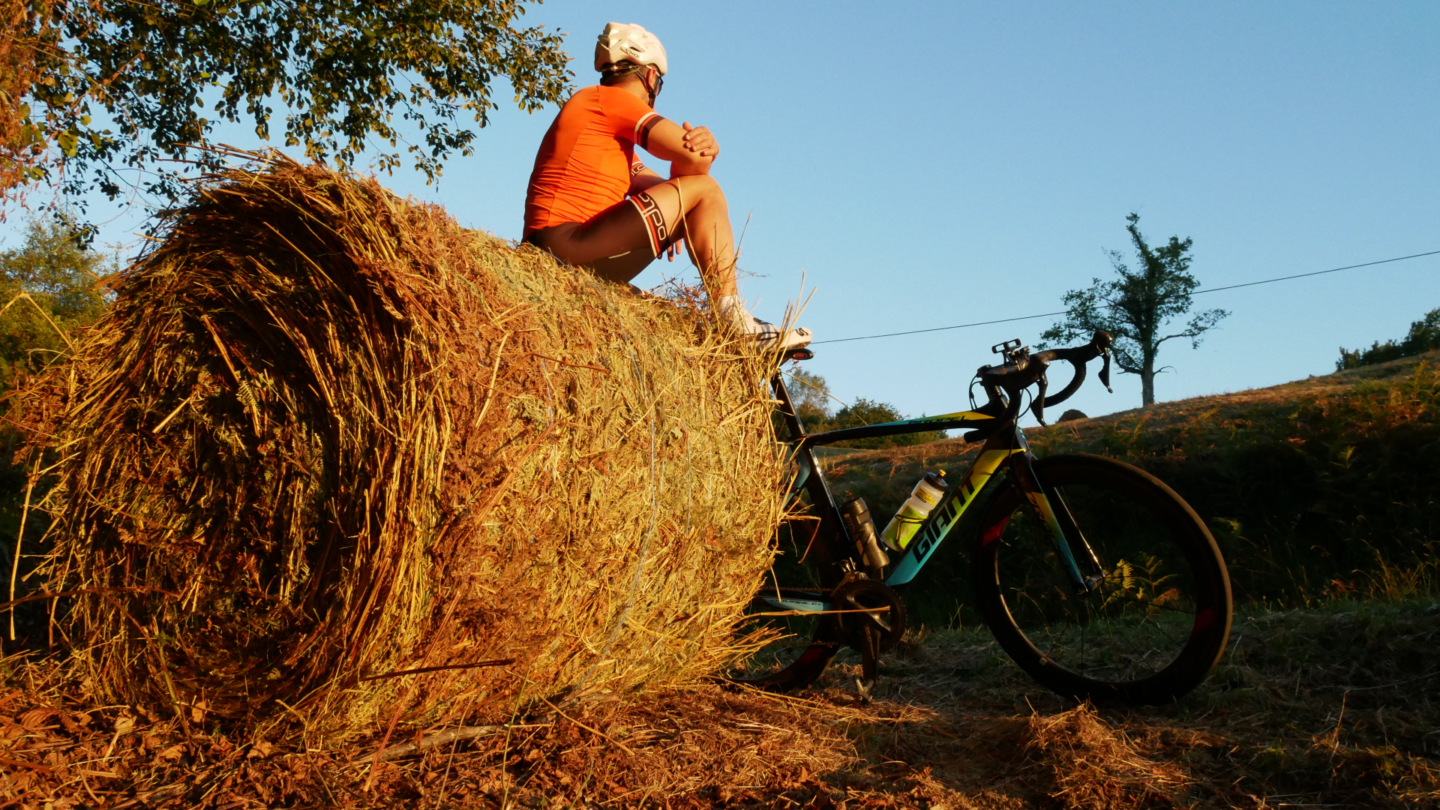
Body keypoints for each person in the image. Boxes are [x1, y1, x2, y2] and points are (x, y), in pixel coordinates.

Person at [523, 22, 811, 350]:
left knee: (663, 311)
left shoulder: (604, 133)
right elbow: (695, 168)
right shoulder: (608, 100)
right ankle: (733, 318)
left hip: (563, 254)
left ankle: (729, 332)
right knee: (708, 190)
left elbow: (671, 184)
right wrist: (705, 145)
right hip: (562, 248)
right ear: (650, 77)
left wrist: (677, 213)